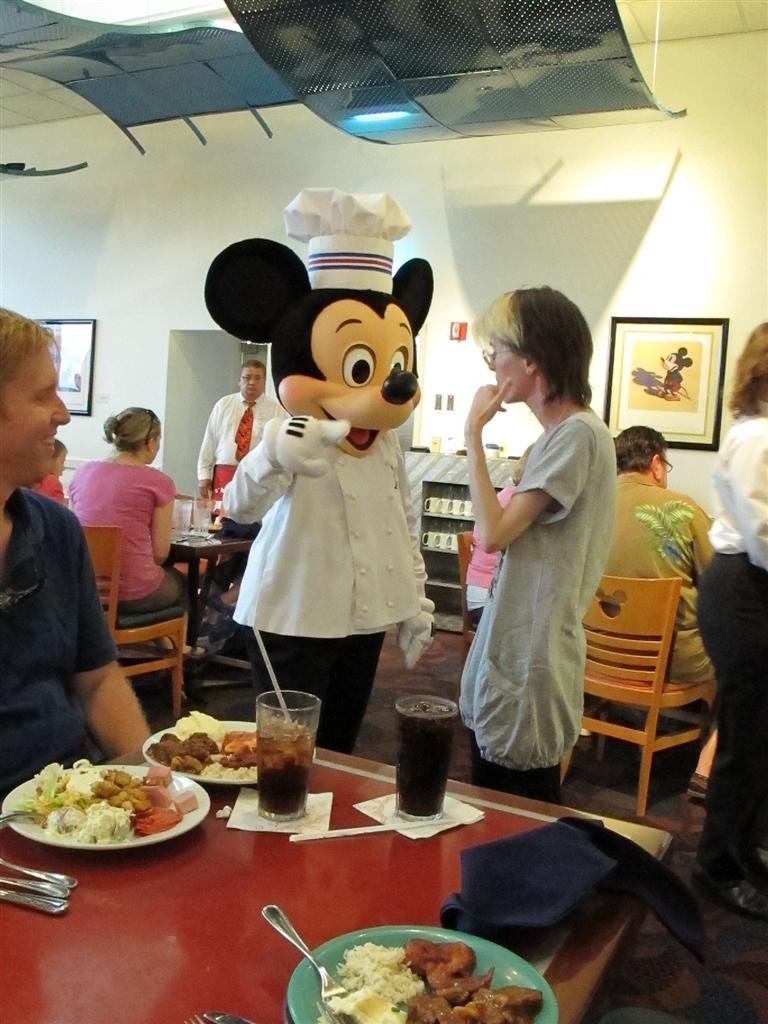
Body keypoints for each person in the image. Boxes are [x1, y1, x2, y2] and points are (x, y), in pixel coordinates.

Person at [460, 286, 616, 803]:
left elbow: (492, 534)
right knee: (501, 803)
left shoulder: (577, 435)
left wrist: (473, 436)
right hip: (522, 639)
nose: (491, 364)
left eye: (497, 351)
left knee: (515, 809)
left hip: (533, 651)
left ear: (531, 359)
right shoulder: (561, 436)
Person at [0, 308, 150, 796]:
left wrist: (150, 783)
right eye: (44, 395)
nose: (64, 414)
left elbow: (97, 679)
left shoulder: (57, 530)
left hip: (68, 800)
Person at [692, 322, 768, 921]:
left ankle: (743, 852)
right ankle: (716, 866)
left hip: (749, 586)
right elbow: (763, 534)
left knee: (755, 735)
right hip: (745, 590)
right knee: (744, 738)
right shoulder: (756, 437)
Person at [606, 425, 717, 801]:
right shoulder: (682, 510)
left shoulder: (592, 506)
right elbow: (717, 579)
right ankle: (706, 767)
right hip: (670, 663)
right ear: (655, 463)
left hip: (596, 658)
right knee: (748, 666)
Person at [69, 408, 185, 615]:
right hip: (134, 592)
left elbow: (72, 532)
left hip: (83, 588)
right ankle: (185, 637)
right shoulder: (159, 483)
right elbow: (160, 554)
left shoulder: (81, 474)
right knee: (181, 583)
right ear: (151, 442)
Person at [196, 359, 284, 505]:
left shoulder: (277, 411)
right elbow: (209, 441)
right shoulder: (223, 405)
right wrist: (203, 474)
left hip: (257, 476)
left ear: (264, 382)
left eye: (257, 378)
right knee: (222, 516)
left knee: (252, 515)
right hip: (224, 472)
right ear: (239, 380)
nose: (252, 382)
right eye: (247, 378)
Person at [31, 437, 67, 504]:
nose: (63, 467)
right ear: (49, 459)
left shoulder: (30, 480)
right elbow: (57, 508)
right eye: (62, 462)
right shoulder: (53, 483)